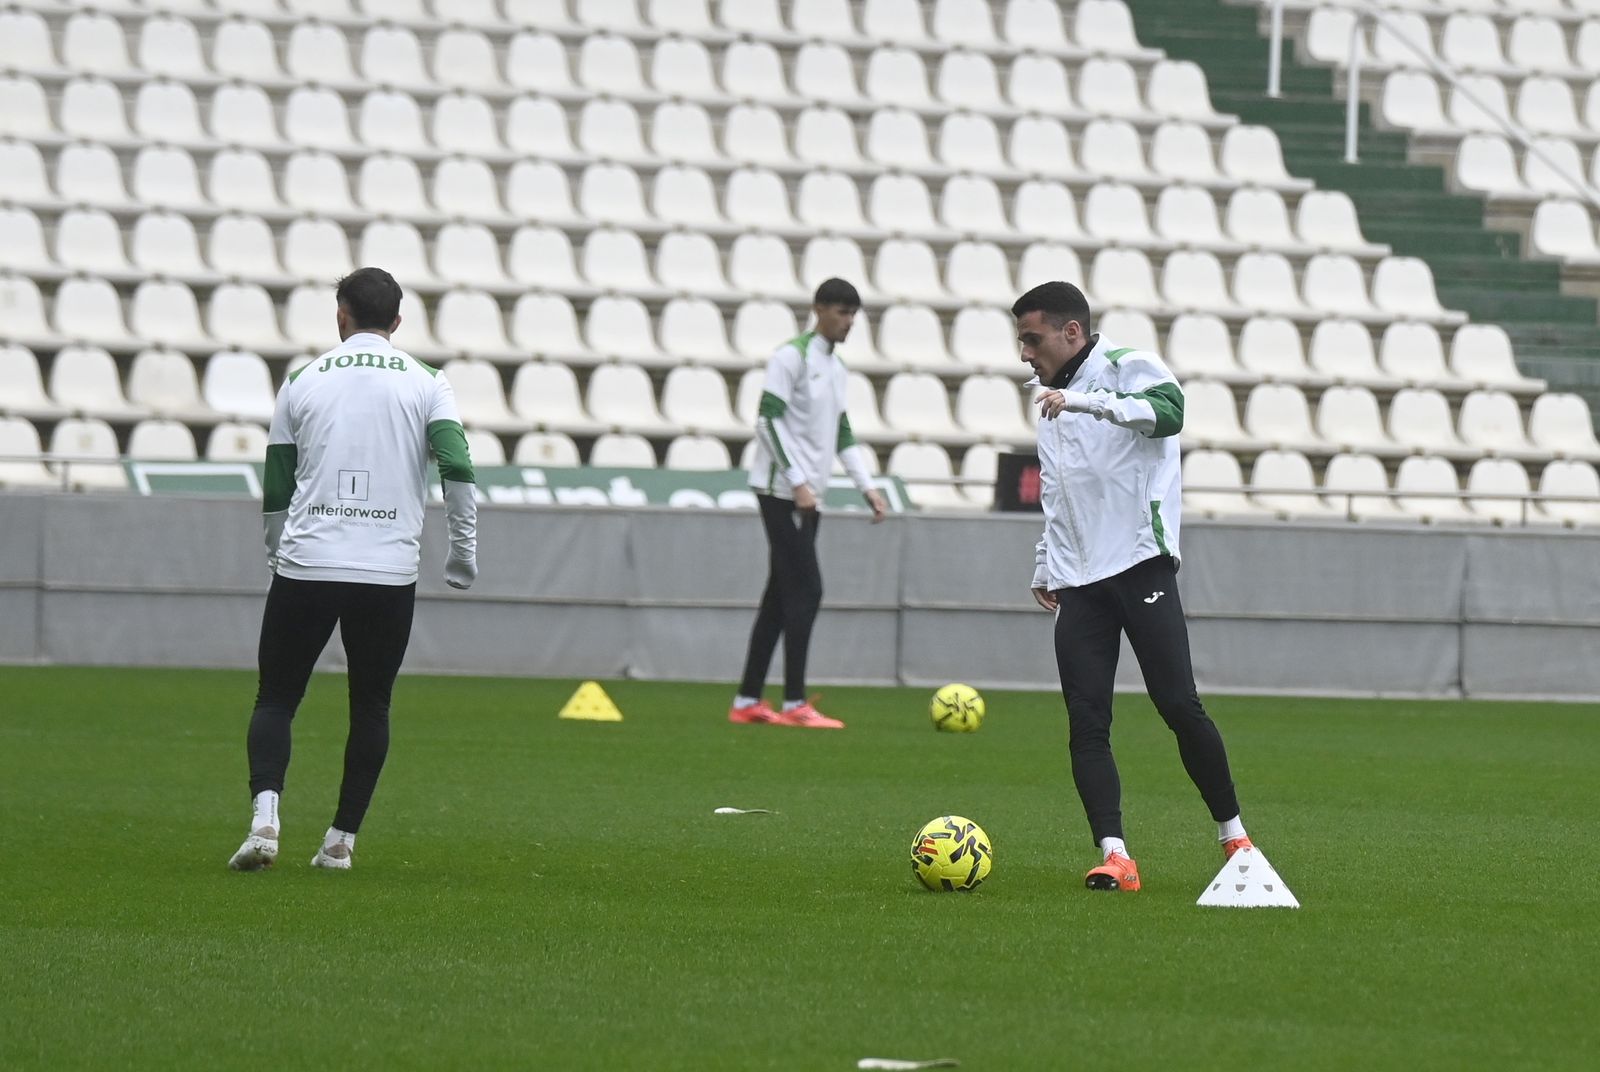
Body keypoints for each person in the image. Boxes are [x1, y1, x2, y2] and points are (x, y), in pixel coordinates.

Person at [228, 267, 478, 872]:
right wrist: (462, 551)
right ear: (398, 321)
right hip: (387, 571)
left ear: (341, 315)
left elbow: (277, 482)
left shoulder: (301, 380)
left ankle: (265, 820)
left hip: (308, 564)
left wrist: (277, 553)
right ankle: (340, 841)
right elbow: (458, 466)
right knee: (371, 706)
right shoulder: (429, 382)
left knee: (276, 697)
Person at [1014, 280, 1252, 892]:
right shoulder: (1050, 400)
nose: (1025, 354)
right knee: (1086, 721)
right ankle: (1115, 855)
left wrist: (1086, 402)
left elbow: (1170, 413)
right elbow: (1060, 489)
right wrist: (1045, 562)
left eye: (1032, 339)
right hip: (1079, 582)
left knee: (1177, 704)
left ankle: (1234, 837)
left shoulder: (1128, 366)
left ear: (1071, 331)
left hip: (1140, 564)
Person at [729, 278, 888, 729]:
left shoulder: (836, 367)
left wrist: (867, 486)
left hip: (807, 497)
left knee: (779, 596)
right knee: (807, 589)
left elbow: (842, 432)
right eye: (841, 312)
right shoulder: (790, 357)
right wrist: (797, 481)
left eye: (853, 314)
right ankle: (794, 702)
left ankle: (747, 700)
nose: (848, 321)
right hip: (780, 492)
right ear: (818, 309)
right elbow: (766, 421)